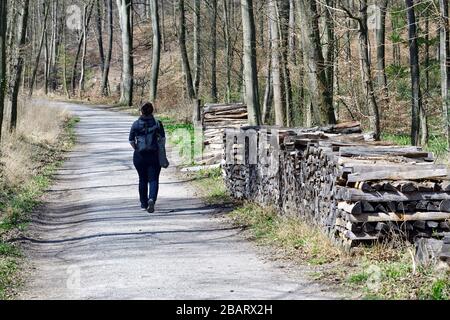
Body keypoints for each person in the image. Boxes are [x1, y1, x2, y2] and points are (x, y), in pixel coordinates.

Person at [129, 102, 165, 213]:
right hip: (154, 155)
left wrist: (137, 148)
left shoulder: (135, 124)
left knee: (142, 179)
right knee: (153, 179)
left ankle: (144, 204)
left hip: (139, 156)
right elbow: (163, 140)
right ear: (152, 111)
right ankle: (151, 199)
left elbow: (131, 140)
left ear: (141, 111)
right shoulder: (158, 123)